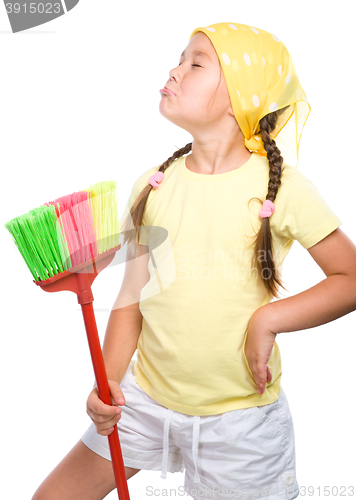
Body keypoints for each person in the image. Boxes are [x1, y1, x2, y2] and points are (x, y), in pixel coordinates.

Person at [31, 22, 356, 500]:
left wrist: (268, 320)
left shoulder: (284, 188)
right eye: (179, 58)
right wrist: (108, 384)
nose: (174, 70)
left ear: (239, 98)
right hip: (144, 401)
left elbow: (349, 278)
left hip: (238, 425)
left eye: (195, 63)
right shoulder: (153, 185)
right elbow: (131, 300)